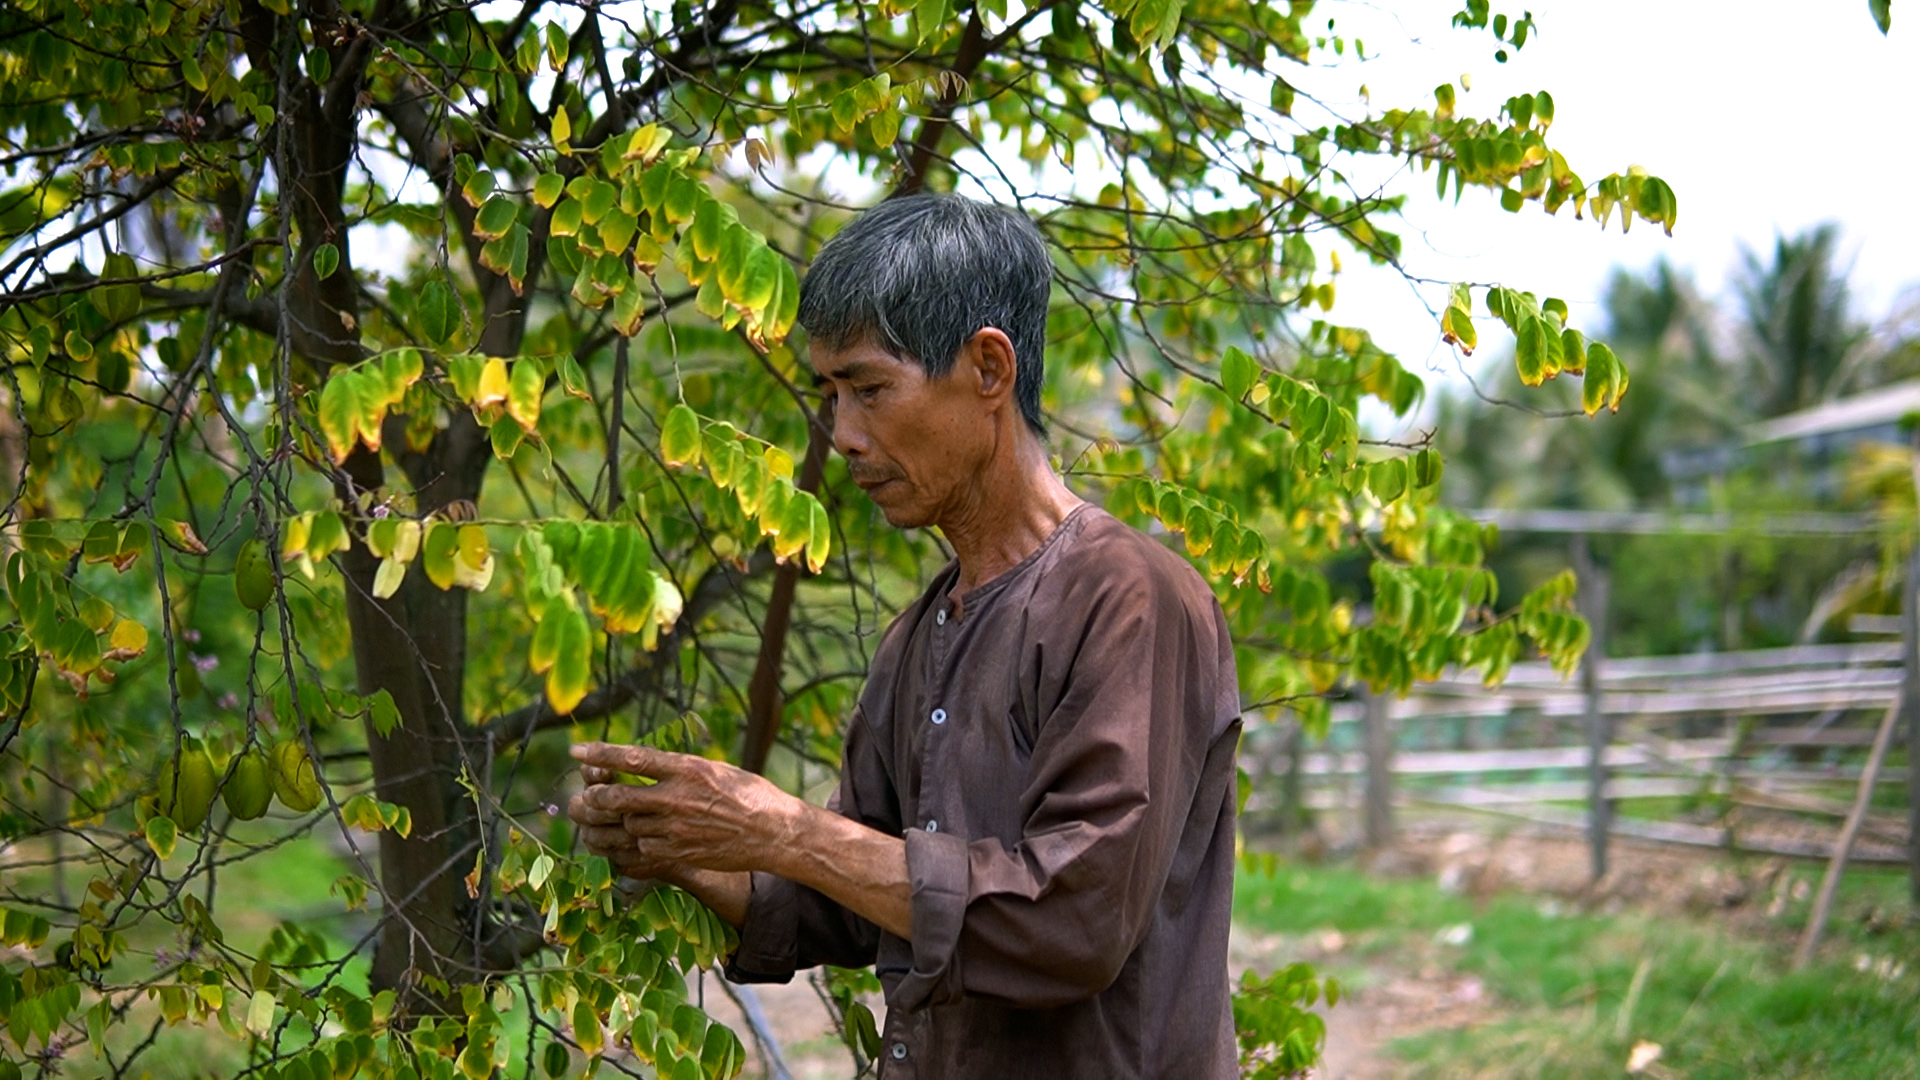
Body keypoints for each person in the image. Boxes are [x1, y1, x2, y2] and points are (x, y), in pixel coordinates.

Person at [569, 193, 1242, 1078]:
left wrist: (786, 830)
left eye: (871, 389)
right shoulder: (922, 633)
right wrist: (686, 844)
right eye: (833, 394)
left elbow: (1072, 922)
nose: (843, 436)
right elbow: (854, 901)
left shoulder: (1129, 600)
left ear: (989, 370)